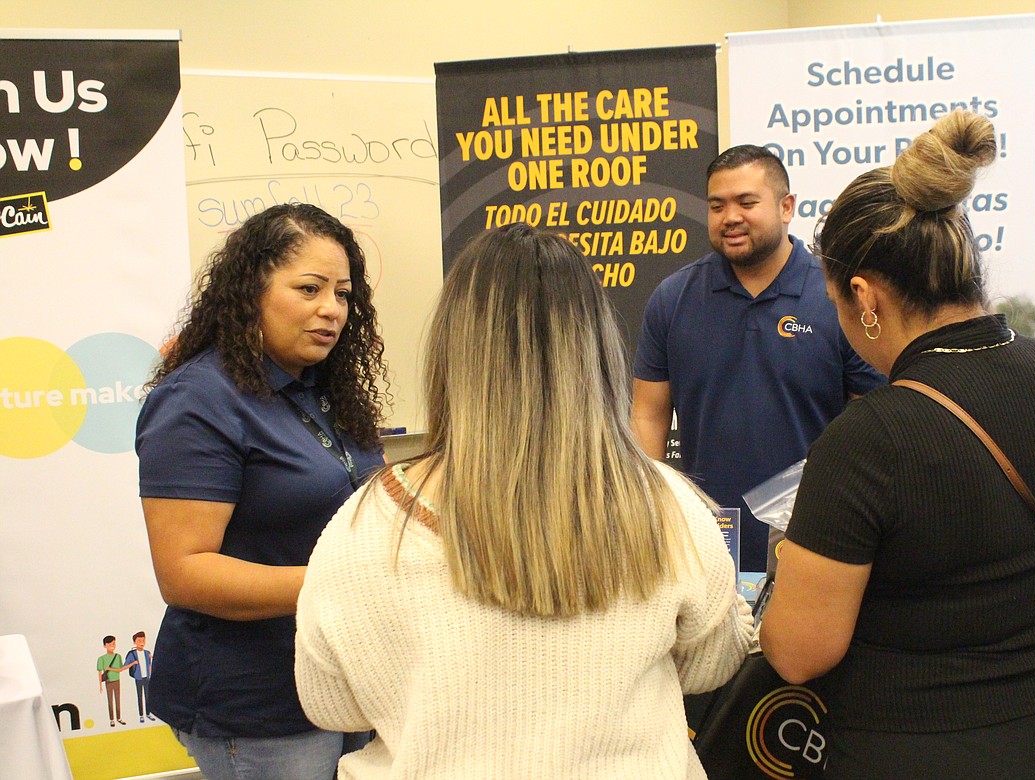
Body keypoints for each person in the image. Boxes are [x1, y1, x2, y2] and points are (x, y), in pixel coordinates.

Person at [295, 223, 754, 779]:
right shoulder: (669, 508)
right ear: (598, 349)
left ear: (451, 349)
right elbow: (711, 664)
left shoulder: (365, 524)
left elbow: (330, 704)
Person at [758, 110, 1035, 780]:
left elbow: (797, 652)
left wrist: (793, 556)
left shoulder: (870, 442)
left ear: (865, 296)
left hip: (915, 752)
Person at [136, 203, 390, 780]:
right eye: (309, 289)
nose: (331, 310)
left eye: (344, 295)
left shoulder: (321, 391)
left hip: (340, 683)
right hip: (257, 704)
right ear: (251, 290)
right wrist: (355, 582)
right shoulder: (198, 401)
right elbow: (185, 572)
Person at [632, 145, 883, 575]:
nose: (730, 216)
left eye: (746, 202)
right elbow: (649, 417)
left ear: (787, 207)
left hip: (815, 540)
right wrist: (648, 519)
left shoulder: (836, 296)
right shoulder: (673, 299)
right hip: (705, 543)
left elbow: (875, 417)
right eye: (717, 205)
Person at [96, 635, 128, 727]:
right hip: (108, 681)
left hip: (117, 680)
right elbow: (100, 672)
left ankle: (119, 718)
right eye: (109, 644)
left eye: (113, 643)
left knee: (118, 700)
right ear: (105, 646)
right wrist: (100, 685)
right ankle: (111, 719)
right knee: (110, 700)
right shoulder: (101, 658)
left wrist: (111, 668)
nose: (112, 645)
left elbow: (120, 669)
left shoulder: (118, 656)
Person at [123, 630, 154, 724]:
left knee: (148, 696)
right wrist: (133, 663)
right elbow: (125, 666)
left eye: (143, 640)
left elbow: (150, 665)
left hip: (147, 678)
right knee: (140, 696)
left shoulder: (147, 653)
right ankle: (141, 715)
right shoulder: (132, 654)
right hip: (138, 678)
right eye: (139, 641)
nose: (142, 643)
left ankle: (148, 713)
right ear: (134, 642)